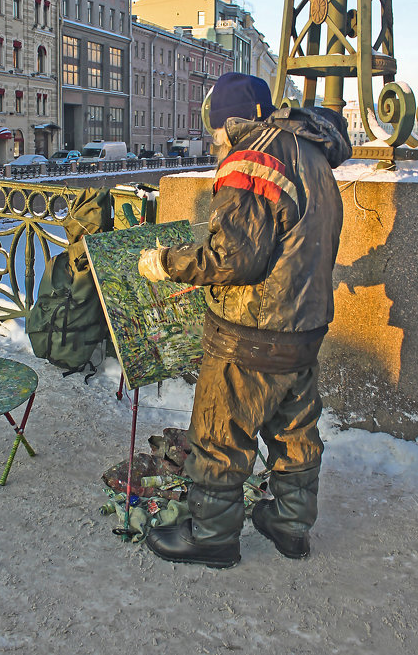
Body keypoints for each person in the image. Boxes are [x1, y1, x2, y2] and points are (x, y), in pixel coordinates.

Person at [137, 72, 352, 568]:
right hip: (303, 326)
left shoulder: (252, 157)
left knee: (219, 435)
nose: (214, 143)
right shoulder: (312, 153)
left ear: (228, 120)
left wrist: (166, 262)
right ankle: (290, 525)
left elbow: (235, 258)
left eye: (214, 130)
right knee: (293, 429)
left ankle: (212, 537)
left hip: (252, 329)